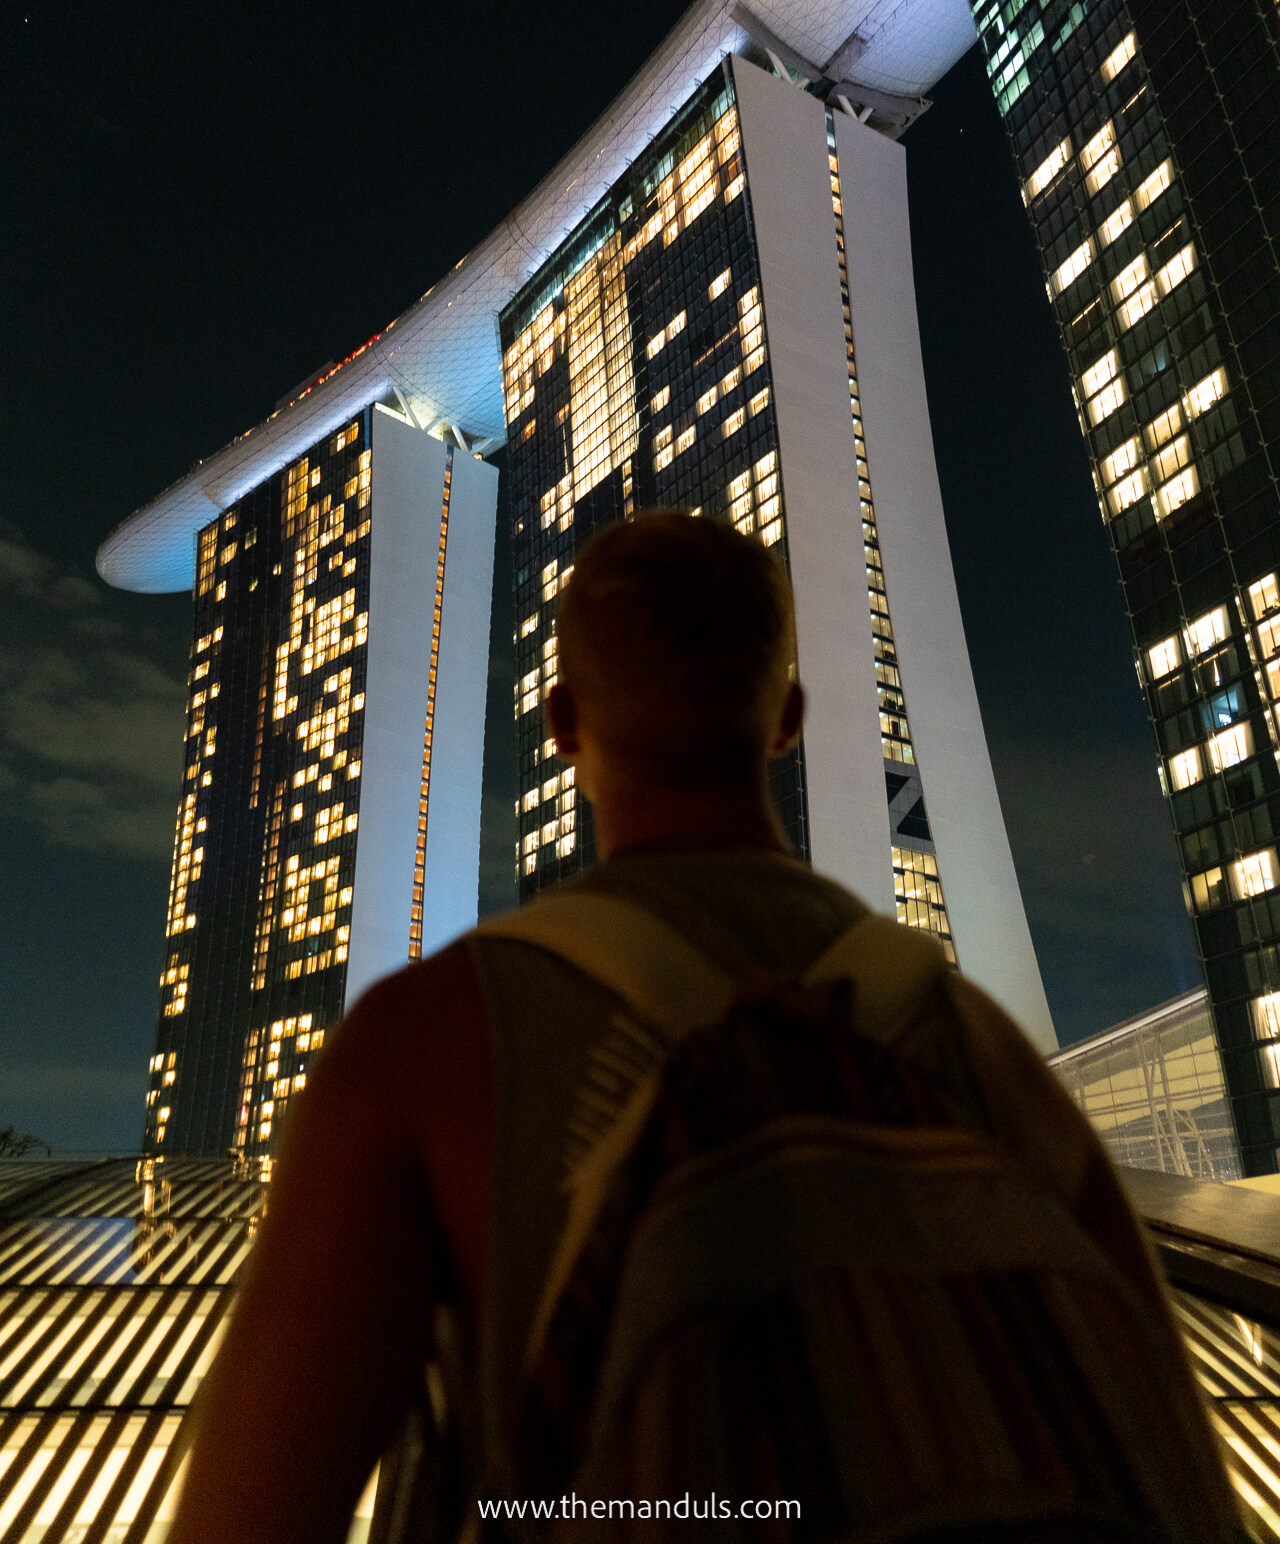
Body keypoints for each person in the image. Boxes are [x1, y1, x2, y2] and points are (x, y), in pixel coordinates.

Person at [169, 511, 1232, 1543]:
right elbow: (1167, 1461)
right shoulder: (978, 1045)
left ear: (561, 724)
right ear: (787, 718)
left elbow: (249, 1510)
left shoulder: (427, 1043)